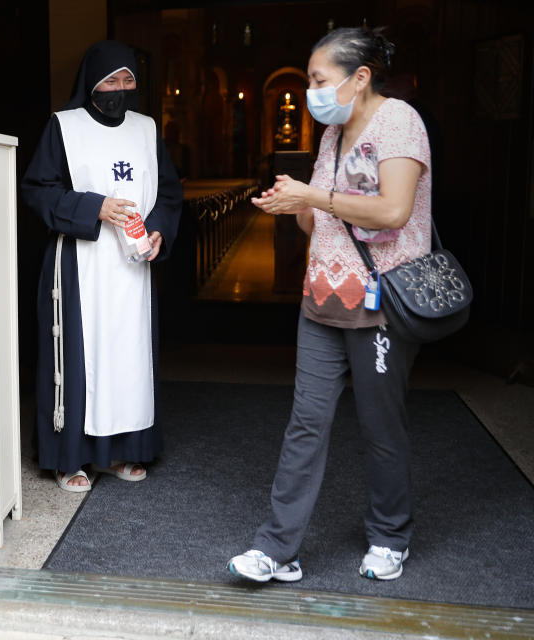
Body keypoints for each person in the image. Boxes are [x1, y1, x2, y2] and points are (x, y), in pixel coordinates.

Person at [228, 27, 431, 581]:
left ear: (359, 77)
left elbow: (393, 212)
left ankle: (391, 536)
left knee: (380, 424)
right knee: (305, 423)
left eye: (318, 80)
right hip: (321, 296)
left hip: (381, 300)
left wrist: (313, 195)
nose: (311, 91)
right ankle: (277, 548)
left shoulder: (400, 123)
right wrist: (291, 200)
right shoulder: (332, 133)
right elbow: (314, 218)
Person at [21, 40, 182, 492]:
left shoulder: (147, 128)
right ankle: (69, 458)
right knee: (80, 358)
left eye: (129, 79)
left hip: (133, 266)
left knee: (126, 359)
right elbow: (38, 189)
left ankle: (124, 450)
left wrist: (159, 231)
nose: (121, 88)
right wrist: (96, 207)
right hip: (79, 263)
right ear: (91, 83)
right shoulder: (63, 126)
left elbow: (169, 193)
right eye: (111, 79)